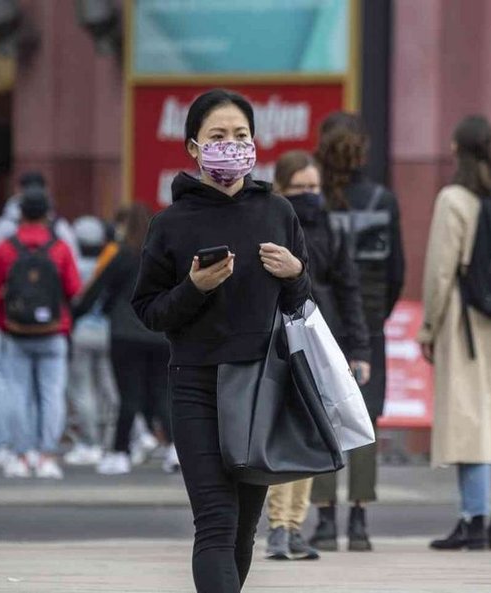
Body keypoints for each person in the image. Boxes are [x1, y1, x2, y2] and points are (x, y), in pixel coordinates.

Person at [131, 88, 311, 593]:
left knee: (242, 529)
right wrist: (194, 289)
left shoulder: (278, 212)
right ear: (193, 148)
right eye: (218, 136)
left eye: (241, 135)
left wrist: (296, 273)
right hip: (196, 386)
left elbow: (301, 301)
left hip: (262, 386)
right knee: (214, 519)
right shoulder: (169, 225)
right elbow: (148, 310)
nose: (231, 145)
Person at [417, 115, 491, 551]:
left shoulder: (453, 199)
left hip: (466, 322)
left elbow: (439, 271)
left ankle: (472, 520)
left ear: (456, 149)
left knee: (470, 419)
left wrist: (429, 325)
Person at [264, 150, 371, 561]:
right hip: (277, 338)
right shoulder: (273, 227)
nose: (310, 195)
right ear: (282, 189)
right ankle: (278, 525)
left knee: (312, 432)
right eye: (300, 188)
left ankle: (293, 526)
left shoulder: (331, 229)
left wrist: (358, 348)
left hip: (321, 340)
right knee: (283, 434)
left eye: (314, 187)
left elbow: (349, 292)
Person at [308, 112, 405, 552]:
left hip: (317, 324)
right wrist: (376, 316)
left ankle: (325, 520)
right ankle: (360, 522)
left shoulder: (316, 204)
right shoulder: (383, 200)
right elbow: (396, 270)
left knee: (323, 416)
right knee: (363, 420)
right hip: (367, 324)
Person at [0, 172, 78, 468]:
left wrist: (2, 322)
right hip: (53, 331)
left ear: (19, 212)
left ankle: (22, 456)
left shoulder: (5, 246)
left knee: (17, 393)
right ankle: (46, 455)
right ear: (48, 213)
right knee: (51, 394)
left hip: (16, 331)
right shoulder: (59, 246)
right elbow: (73, 289)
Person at [74, 205, 178, 476]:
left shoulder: (122, 255)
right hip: (160, 332)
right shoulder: (165, 258)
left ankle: (121, 452)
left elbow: (97, 291)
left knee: (128, 394)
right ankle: (174, 449)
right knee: (160, 394)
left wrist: (74, 315)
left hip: (125, 333)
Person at [64, 216, 119, 466]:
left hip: (81, 332)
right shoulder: (107, 264)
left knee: (83, 389)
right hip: (107, 331)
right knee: (110, 387)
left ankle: (91, 441)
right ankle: (112, 439)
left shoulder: (73, 265)